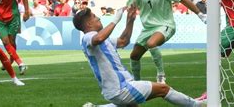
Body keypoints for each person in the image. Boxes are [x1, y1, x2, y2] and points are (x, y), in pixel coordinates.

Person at [73, 6, 206, 107]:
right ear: (89, 24)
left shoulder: (102, 39)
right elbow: (98, 38)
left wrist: (130, 21)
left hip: (119, 87)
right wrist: (115, 20)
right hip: (120, 88)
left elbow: (123, 41)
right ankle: (196, 105)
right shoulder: (88, 37)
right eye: (95, 17)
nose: (98, 18)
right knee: (163, 89)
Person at [127, 0, 206, 84]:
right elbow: (130, 8)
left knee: (151, 43)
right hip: (148, 28)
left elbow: (183, 0)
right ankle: (136, 83)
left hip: (165, 25)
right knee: (134, 56)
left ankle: (161, 75)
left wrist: (200, 14)